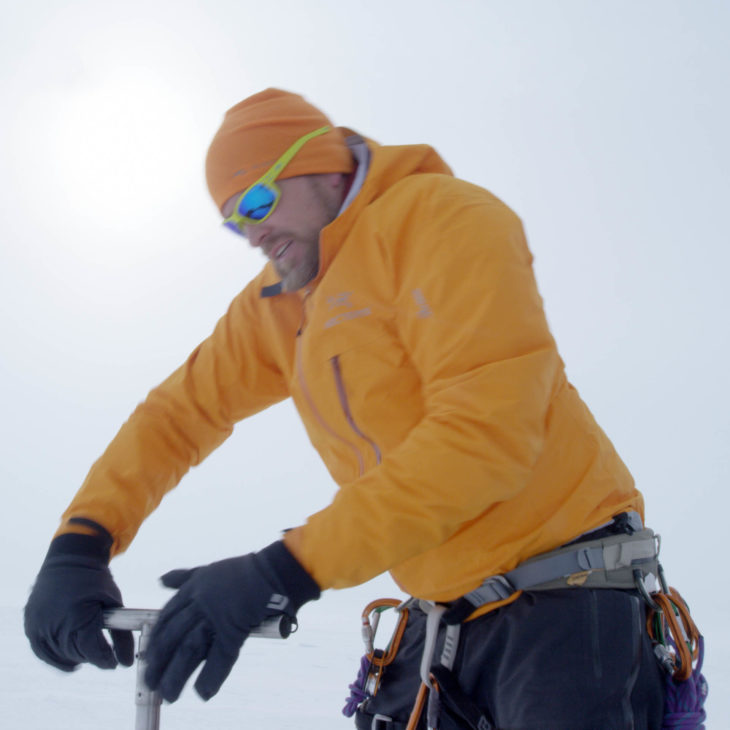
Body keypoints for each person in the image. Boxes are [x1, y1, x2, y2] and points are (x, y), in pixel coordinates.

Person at [24, 88, 667, 728]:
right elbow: (176, 417)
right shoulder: (278, 304)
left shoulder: (445, 221)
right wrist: (80, 544)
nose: (253, 234)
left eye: (257, 202)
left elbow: (485, 435)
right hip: (441, 618)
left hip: (564, 599)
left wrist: (286, 568)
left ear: (322, 165)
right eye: (234, 220)